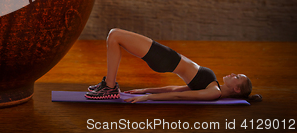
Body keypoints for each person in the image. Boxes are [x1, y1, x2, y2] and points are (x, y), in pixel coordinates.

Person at [85, 29, 262, 103]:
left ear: (237, 90)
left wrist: (148, 98)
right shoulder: (213, 85)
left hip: (166, 59)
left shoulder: (214, 92)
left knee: (114, 35)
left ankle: (109, 87)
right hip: (167, 58)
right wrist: (145, 90)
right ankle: (109, 86)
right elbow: (177, 88)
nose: (232, 74)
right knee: (114, 36)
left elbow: (178, 96)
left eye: (237, 77)